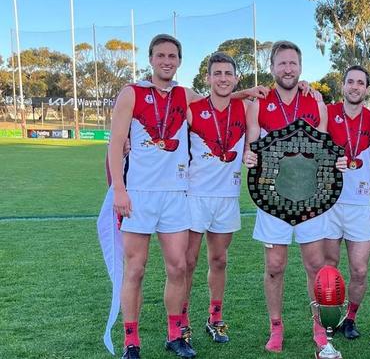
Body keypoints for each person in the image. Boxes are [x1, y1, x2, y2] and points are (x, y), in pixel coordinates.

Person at [242, 40, 347, 354]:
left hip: (311, 200)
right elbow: (251, 148)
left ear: (300, 67)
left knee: (315, 265)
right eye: (281, 63)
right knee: (274, 265)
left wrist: (337, 162)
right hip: (273, 199)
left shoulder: (316, 102)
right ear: (272, 67)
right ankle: (276, 326)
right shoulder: (259, 103)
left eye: (292, 63)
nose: (287, 69)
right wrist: (248, 157)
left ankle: (317, 326)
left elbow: (325, 150)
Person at [108, 34, 197, 359]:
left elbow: (221, 102)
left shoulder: (186, 95)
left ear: (179, 61)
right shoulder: (132, 93)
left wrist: (245, 92)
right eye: (161, 55)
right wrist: (120, 188)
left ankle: (175, 335)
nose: (166, 61)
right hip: (139, 195)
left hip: (176, 194)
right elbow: (115, 143)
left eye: (172, 56)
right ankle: (131, 341)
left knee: (177, 267)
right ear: (150, 59)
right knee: (136, 269)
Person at [183, 52, 253, 344]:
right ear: (208, 78)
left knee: (219, 260)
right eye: (217, 74)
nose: (223, 78)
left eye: (228, 74)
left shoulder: (248, 108)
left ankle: (215, 317)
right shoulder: (192, 106)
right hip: (195, 196)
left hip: (227, 197)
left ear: (236, 78)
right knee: (187, 262)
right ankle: (181, 321)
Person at [323, 65, 370, 340]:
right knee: (329, 266)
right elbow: (312, 150)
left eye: (360, 83)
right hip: (329, 203)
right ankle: (329, 319)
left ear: (367, 89)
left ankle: (350, 318)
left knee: (359, 269)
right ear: (342, 86)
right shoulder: (327, 113)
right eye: (350, 81)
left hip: (359, 205)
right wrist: (329, 160)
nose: (355, 87)